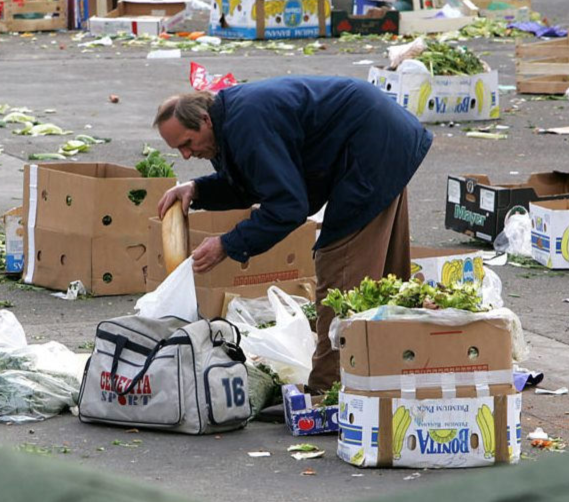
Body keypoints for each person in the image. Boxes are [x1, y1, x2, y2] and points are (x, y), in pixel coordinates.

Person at [154, 76, 432, 393]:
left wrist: (227, 244)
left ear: (204, 119)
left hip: (373, 145)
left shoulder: (246, 124)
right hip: (380, 136)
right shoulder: (227, 124)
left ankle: (329, 393)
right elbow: (249, 183)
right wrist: (197, 189)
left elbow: (287, 207)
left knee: (340, 273)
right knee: (381, 276)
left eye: (187, 143)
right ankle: (391, 372)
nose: (187, 156)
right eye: (179, 150)